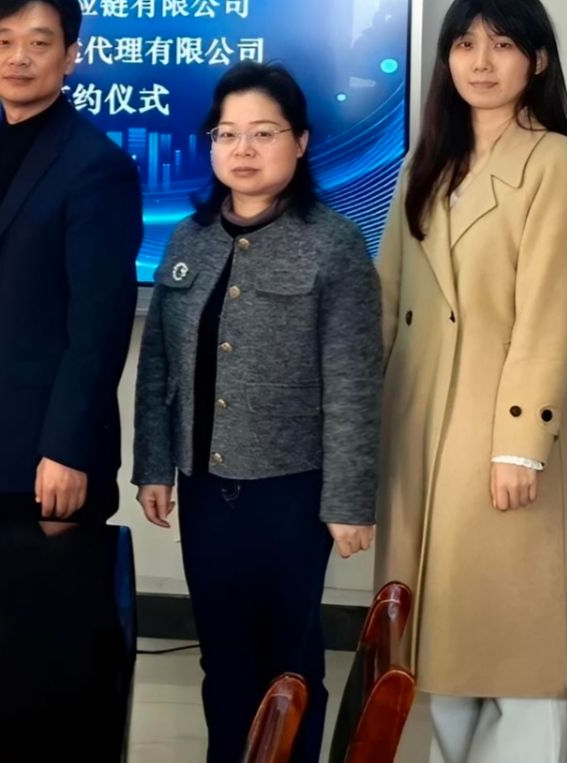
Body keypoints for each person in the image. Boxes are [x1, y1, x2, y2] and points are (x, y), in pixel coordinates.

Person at [376, 0, 567, 763]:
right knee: (443, 640)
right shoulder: (427, 159)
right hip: (420, 422)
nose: (481, 61)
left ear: (537, 60)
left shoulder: (555, 161)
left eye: (502, 44)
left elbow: (549, 315)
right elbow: (387, 294)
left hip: (499, 429)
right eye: (465, 43)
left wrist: (520, 445)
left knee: (516, 641)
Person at [133, 62, 382, 763]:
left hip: (291, 493)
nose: (243, 148)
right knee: (222, 659)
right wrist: (153, 466)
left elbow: (354, 380)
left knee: (289, 665)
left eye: (264, 132)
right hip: (204, 489)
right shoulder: (189, 239)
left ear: (299, 141)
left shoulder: (333, 243)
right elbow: (158, 369)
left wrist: (349, 500)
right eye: (227, 133)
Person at [0, 0, 142, 524]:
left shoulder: (97, 166)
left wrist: (67, 449)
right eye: (3, 41)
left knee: (55, 583)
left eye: (39, 42)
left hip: (51, 457)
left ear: (70, 55)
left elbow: (99, 326)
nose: (19, 57)